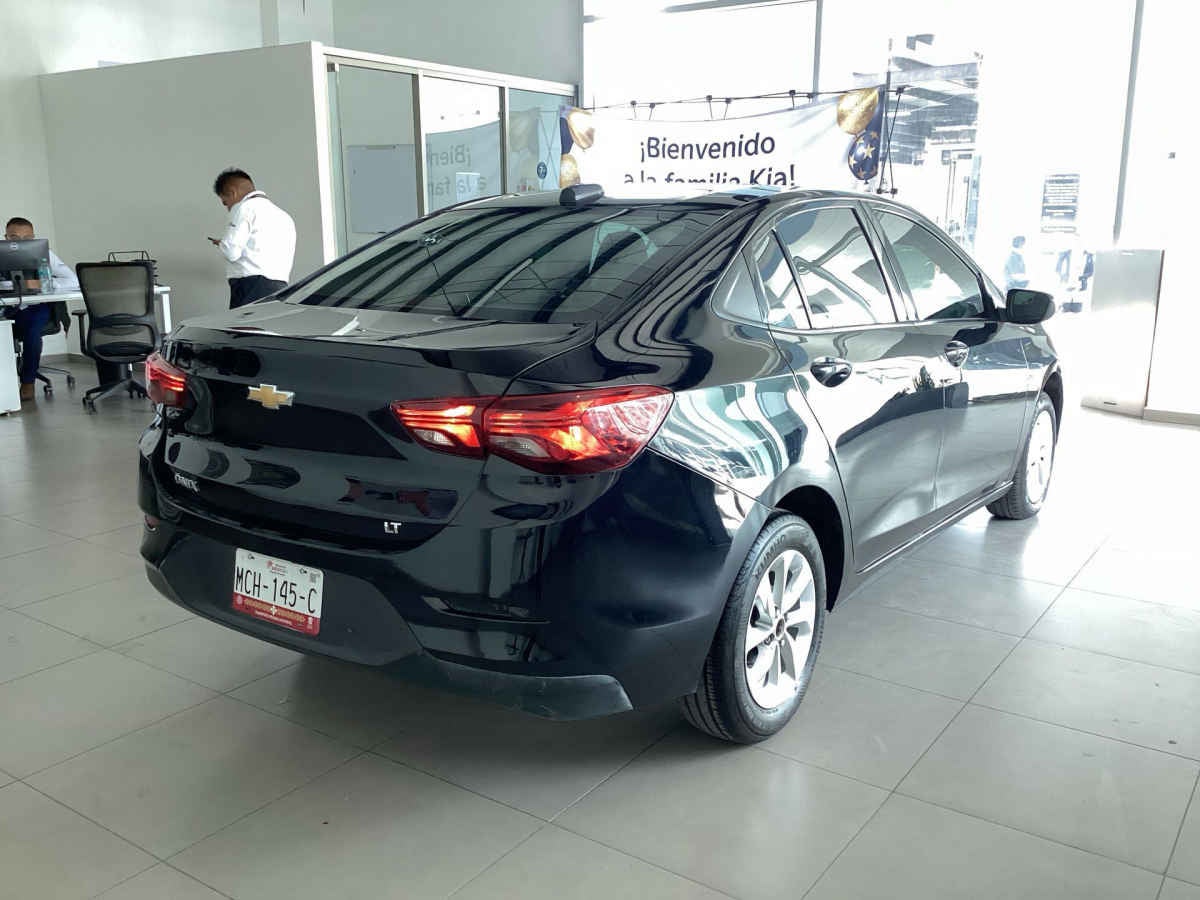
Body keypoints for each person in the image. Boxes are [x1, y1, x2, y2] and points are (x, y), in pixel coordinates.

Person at [3, 217, 79, 403]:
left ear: (34, 238)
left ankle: (28, 381)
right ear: (6, 238)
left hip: (36, 308)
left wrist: (41, 283)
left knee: (32, 330)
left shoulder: (45, 254)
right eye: (15, 238)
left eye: (27, 238)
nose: (21, 243)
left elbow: (73, 280)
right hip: (7, 309)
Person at [208, 168, 296, 309]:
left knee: (243, 324)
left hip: (250, 286)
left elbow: (231, 252)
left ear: (232, 192)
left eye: (225, 202)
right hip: (280, 287)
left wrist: (222, 244)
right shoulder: (284, 216)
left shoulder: (244, 208)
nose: (227, 207)